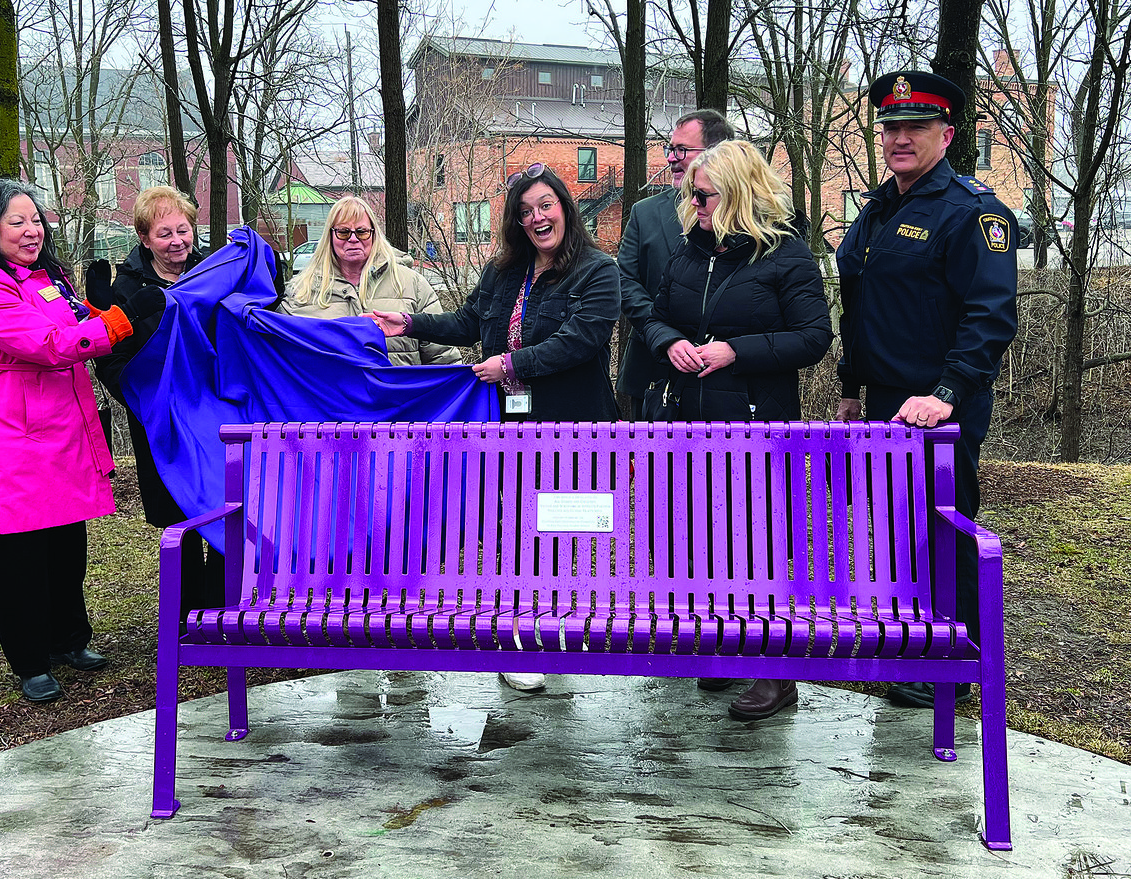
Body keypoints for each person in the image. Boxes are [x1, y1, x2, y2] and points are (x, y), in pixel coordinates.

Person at [368, 162, 621, 693]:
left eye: (546, 206)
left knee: (560, 532)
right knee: (513, 528)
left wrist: (512, 364)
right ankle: (521, 640)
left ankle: (551, 634)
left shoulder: (598, 271)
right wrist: (409, 322)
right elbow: (467, 322)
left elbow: (582, 339)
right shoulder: (505, 271)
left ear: (565, 209)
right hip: (507, 424)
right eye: (525, 211)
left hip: (573, 427)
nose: (537, 218)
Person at [834, 71, 1018, 709]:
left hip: (941, 401)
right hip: (886, 398)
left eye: (915, 127)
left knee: (944, 524)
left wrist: (947, 391)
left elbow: (990, 316)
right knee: (894, 526)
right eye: (890, 128)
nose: (899, 139)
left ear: (948, 133)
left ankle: (957, 659)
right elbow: (860, 304)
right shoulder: (881, 206)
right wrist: (851, 386)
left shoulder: (973, 212)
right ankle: (911, 646)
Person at [641, 139, 832, 720]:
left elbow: (813, 337)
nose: (692, 203)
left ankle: (775, 669)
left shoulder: (787, 256)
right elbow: (653, 315)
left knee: (759, 546)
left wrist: (735, 351)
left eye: (703, 194)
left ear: (739, 193)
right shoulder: (688, 253)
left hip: (756, 425)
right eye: (690, 195)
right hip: (687, 420)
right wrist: (668, 341)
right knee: (697, 539)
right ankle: (723, 643)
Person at [0, 178, 132, 703]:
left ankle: (69, 639)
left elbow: (78, 325)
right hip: (4, 428)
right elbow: (48, 343)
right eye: (17, 222)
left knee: (64, 540)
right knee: (17, 549)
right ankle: (30, 660)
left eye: (36, 220)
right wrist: (121, 322)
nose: (33, 231)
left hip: (56, 423)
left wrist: (105, 307)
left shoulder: (48, 275)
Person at [93, 186, 223, 615]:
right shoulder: (126, 288)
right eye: (164, 232)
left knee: (223, 506)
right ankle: (188, 616)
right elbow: (112, 360)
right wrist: (144, 399)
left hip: (213, 416)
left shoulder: (211, 275)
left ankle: (222, 610)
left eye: (183, 229)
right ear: (145, 238)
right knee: (180, 517)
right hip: (161, 418)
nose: (177, 241)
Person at [617, 109, 737, 419]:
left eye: (681, 149)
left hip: (724, 381)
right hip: (651, 372)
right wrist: (665, 337)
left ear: (716, 153)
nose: (671, 157)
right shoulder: (644, 213)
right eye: (670, 148)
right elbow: (625, 283)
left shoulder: (750, 219)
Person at [281, 195, 460, 366]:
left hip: (400, 397)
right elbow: (278, 356)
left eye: (362, 232)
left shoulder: (412, 286)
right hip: (329, 398)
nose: (353, 239)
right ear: (330, 236)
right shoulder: (301, 291)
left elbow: (443, 357)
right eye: (343, 232)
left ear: (374, 234)